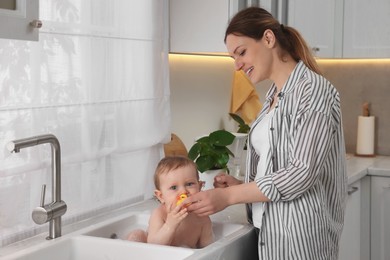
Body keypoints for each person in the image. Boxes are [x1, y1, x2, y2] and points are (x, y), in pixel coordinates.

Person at [183, 7, 347, 260]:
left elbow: (300, 173)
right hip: (268, 232)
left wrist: (228, 196)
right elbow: (277, 166)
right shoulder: (273, 96)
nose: (237, 65)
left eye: (242, 52)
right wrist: (242, 186)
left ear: (269, 39)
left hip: (300, 240)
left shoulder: (313, 92)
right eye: (233, 58)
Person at [127, 156, 214, 248]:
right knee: (136, 236)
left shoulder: (202, 217)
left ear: (199, 187)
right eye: (174, 187)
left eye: (189, 184)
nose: (183, 192)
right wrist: (170, 225)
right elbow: (153, 247)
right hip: (157, 254)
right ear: (161, 196)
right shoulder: (160, 214)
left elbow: (208, 249)